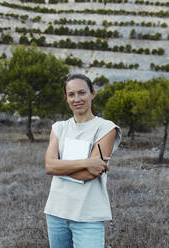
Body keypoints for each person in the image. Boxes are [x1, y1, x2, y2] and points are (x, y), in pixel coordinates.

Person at [44, 74, 122, 248]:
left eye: (82, 93)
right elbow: (49, 166)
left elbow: (89, 174)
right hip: (56, 213)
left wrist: (61, 166)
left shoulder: (106, 128)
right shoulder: (59, 128)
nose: (76, 99)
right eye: (71, 94)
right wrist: (86, 162)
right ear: (66, 98)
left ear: (92, 94)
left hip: (88, 216)